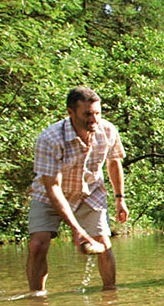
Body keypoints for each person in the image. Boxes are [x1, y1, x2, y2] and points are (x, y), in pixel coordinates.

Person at [26, 86, 128, 293]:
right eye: (87, 114)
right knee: (38, 245)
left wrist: (120, 198)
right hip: (50, 195)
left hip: (90, 191)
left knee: (103, 243)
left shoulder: (108, 130)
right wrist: (76, 229)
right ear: (70, 113)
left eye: (97, 113)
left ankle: (110, 296)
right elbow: (52, 187)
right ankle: (37, 299)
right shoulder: (50, 139)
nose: (94, 120)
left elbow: (114, 162)